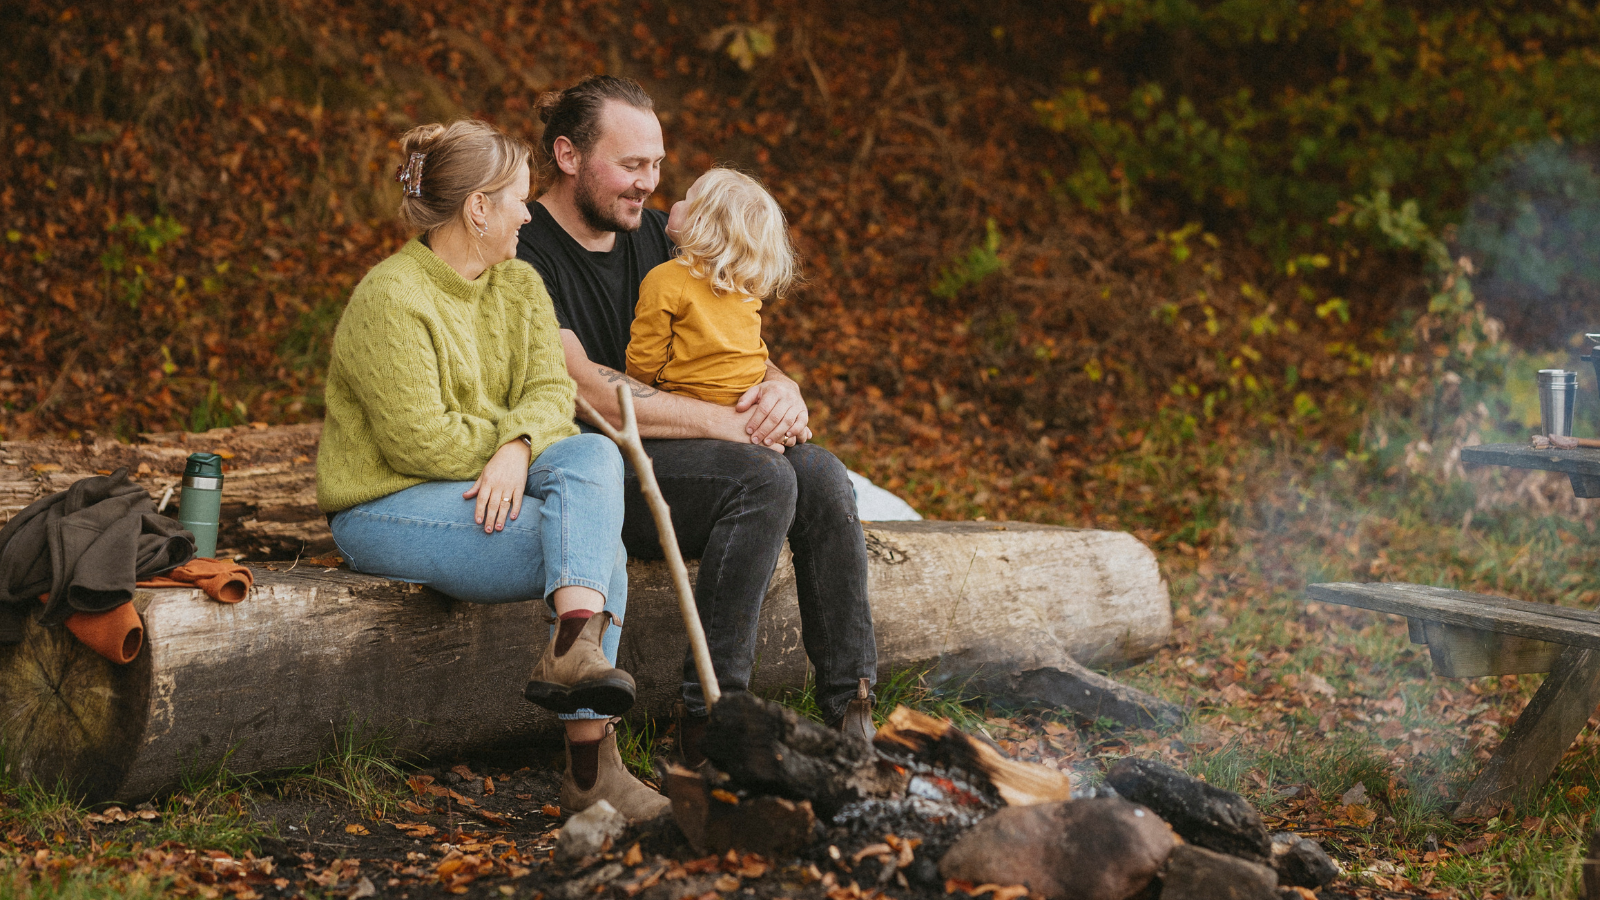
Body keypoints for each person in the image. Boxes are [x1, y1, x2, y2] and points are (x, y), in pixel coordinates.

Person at [314, 119, 668, 820]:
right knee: (590, 552)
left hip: (485, 483)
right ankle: (590, 770)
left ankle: (572, 651)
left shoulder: (520, 285)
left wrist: (517, 448)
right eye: (518, 199)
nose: (529, 213)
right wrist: (512, 443)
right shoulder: (391, 298)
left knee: (595, 457)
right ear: (479, 208)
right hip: (388, 505)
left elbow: (549, 396)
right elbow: (421, 443)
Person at [515, 76, 878, 758]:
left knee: (824, 476)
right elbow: (586, 388)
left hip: (696, 457)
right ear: (568, 156)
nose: (649, 184)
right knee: (762, 479)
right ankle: (714, 714)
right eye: (631, 166)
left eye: (655, 165)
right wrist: (727, 426)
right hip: (597, 472)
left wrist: (781, 390)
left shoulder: (659, 235)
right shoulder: (528, 252)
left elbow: (731, 346)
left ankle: (852, 711)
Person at [625, 167, 796, 406]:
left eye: (686, 199)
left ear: (699, 222)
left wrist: (632, 388)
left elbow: (646, 356)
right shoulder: (743, 284)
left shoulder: (664, 279)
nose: (676, 203)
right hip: (748, 397)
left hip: (689, 400)